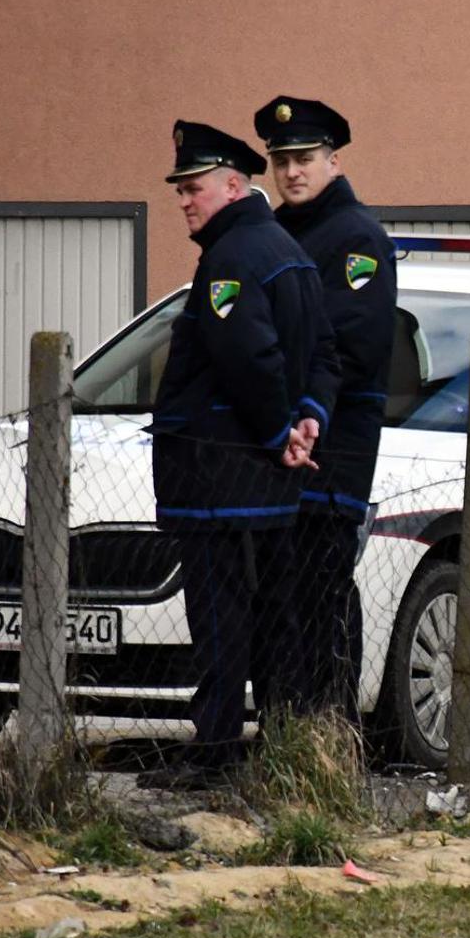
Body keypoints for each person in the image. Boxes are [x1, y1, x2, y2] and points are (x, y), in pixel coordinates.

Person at [150, 120, 338, 773]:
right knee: (274, 619)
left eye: (192, 188)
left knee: (220, 618)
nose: (183, 202)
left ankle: (215, 753)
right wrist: (308, 419)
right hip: (268, 484)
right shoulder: (286, 249)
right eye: (180, 191)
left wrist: (278, 431)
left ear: (233, 186)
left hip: (219, 478)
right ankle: (284, 750)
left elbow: (249, 358)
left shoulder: (231, 258)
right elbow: (323, 354)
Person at [254, 95, 398, 720]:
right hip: (276, 449)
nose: (291, 172)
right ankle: (286, 732)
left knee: (320, 592)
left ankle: (330, 732)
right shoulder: (273, 234)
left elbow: (352, 343)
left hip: (331, 449)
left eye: (305, 159)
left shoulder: (356, 237)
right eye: (281, 161)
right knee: (278, 601)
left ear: (333, 161)